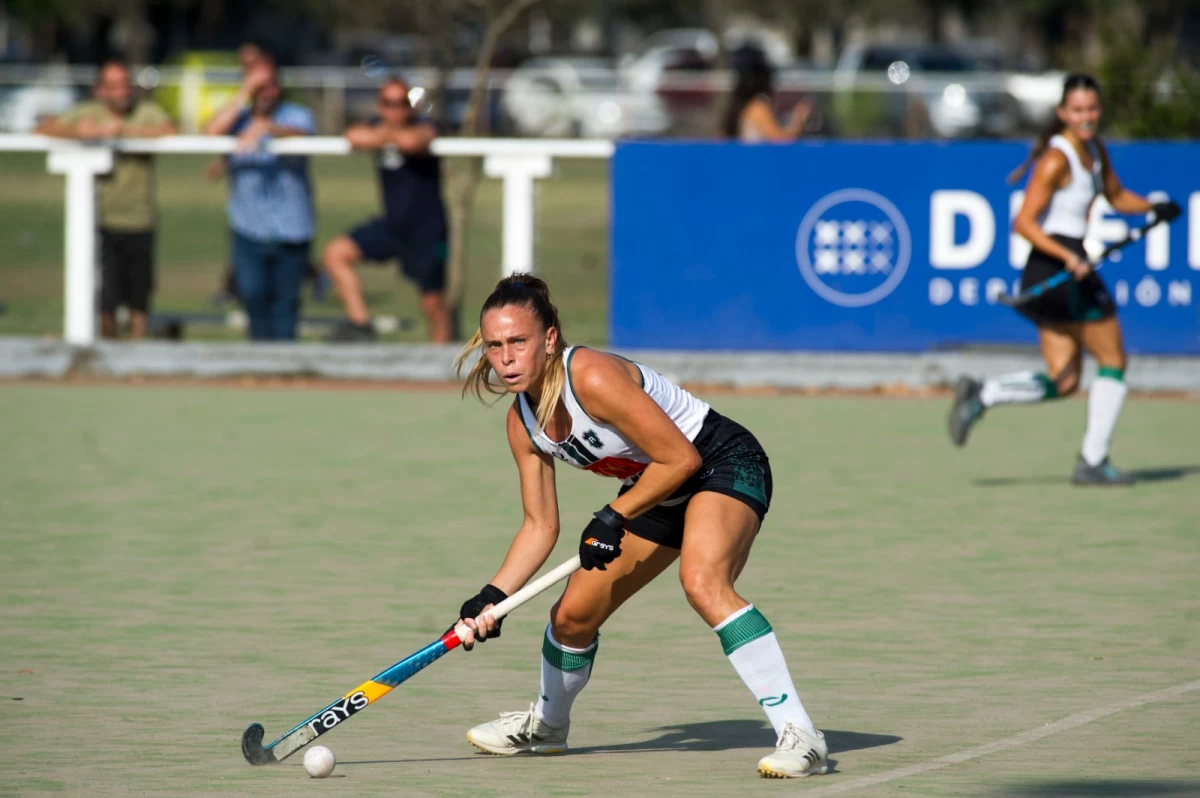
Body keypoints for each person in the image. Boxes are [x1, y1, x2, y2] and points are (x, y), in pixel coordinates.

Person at [448, 274, 827, 779]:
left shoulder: (592, 377)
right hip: (659, 483)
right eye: (495, 346)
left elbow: (682, 457)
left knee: (703, 582)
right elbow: (540, 525)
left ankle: (801, 734)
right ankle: (547, 728)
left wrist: (612, 516)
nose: (507, 357)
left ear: (549, 339)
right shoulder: (523, 423)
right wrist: (491, 596)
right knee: (572, 616)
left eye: (518, 341)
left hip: (721, 462)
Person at [947, 74, 1180, 485]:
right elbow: (1024, 222)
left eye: (1091, 109)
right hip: (1055, 266)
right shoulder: (1056, 159)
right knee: (1113, 359)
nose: (1086, 117)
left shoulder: (1093, 151)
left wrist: (1152, 207)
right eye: (1077, 110)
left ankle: (984, 394)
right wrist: (1069, 256)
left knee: (1065, 380)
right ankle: (1092, 461)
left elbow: (1115, 195)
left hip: (1064, 266)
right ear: (1062, 114)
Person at [37, 57, 177, 339]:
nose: (122, 92)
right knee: (106, 298)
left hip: (140, 218)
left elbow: (170, 131)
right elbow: (44, 129)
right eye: (114, 86)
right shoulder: (89, 112)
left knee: (140, 297)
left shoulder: (144, 111)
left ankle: (137, 357)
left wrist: (124, 132)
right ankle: (107, 356)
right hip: (102, 219)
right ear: (101, 90)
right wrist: (78, 133)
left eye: (125, 84)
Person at [323, 78, 452, 343]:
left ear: (410, 106)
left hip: (427, 230)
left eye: (401, 103)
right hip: (392, 226)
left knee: (433, 304)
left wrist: (382, 136)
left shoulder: (425, 124)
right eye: (388, 104)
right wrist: (386, 135)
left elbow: (412, 142)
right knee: (336, 253)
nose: (395, 110)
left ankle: (443, 369)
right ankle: (361, 325)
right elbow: (352, 135)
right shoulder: (375, 125)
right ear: (379, 106)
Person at [204, 63, 316, 341]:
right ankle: (260, 361)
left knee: (286, 300)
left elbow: (305, 133)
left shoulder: (296, 114)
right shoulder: (238, 118)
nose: (266, 92)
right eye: (259, 86)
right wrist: (244, 93)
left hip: (292, 223)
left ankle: (284, 364)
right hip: (247, 224)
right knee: (253, 295)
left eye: (270, 84)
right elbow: (211, 132)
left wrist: (266, 128)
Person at [720, 46, 811, 142]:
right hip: (756, 157)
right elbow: (779, 142)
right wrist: (798, 119)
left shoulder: (740, 107)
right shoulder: (757, 108)